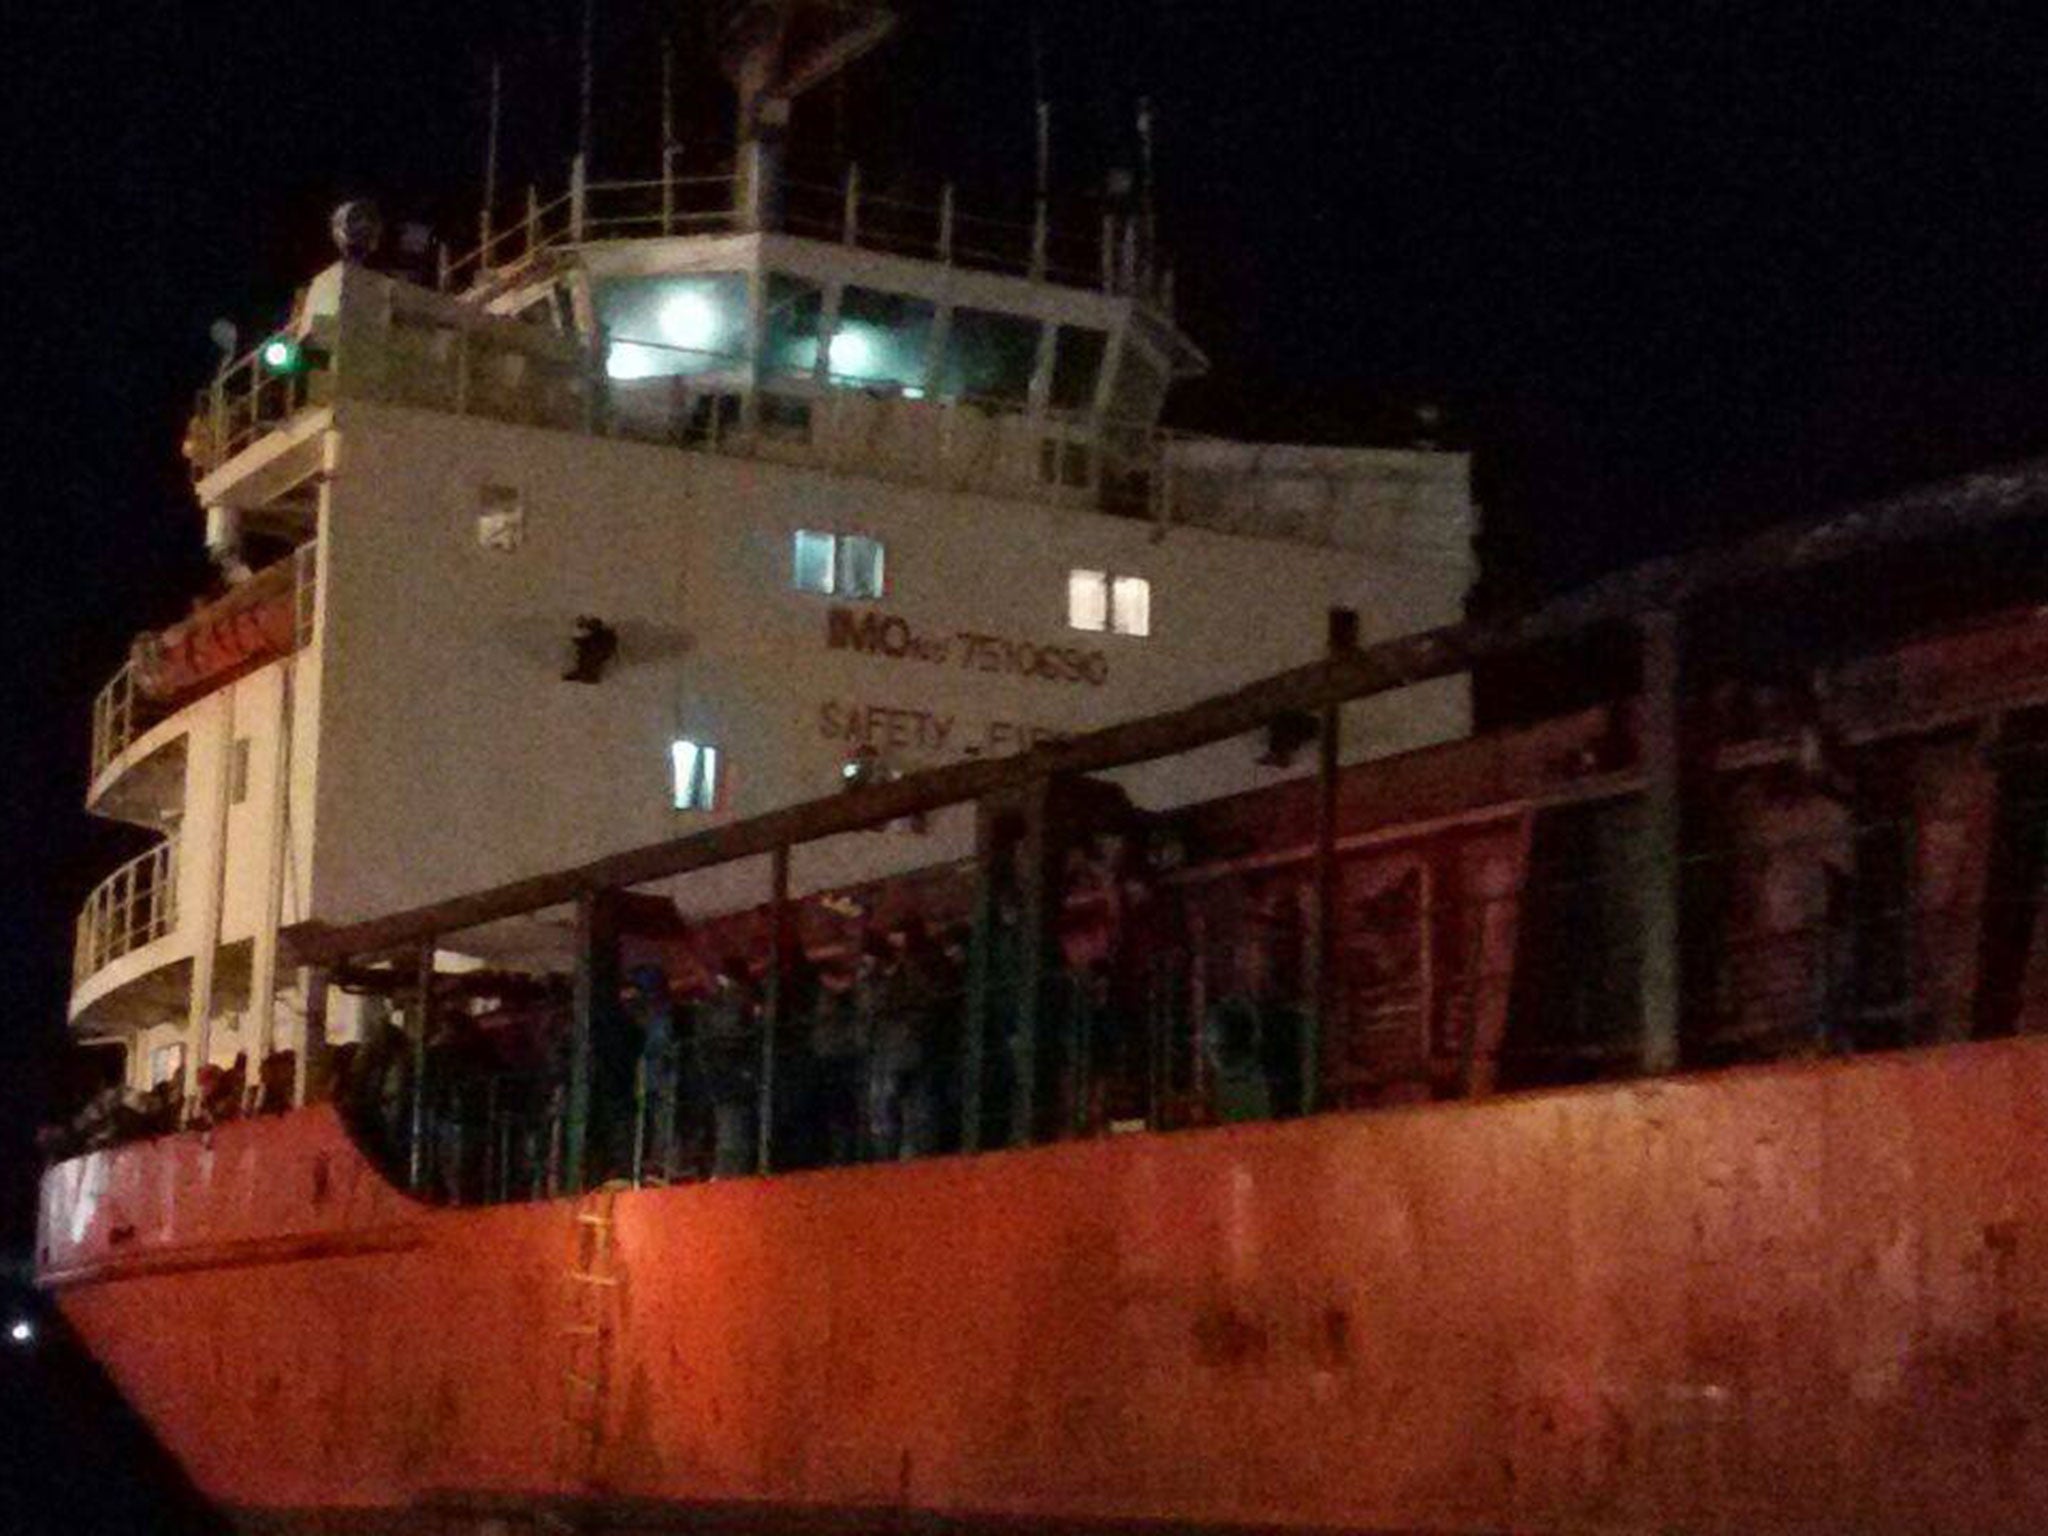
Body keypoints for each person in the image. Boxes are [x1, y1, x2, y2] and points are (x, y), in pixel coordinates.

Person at [694, 956, 760, 1177]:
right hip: (727, 1072)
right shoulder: (733, 1000)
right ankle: (727, 1169)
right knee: (728, 1123)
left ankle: (730, 1172)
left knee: (733, 1125)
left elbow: (729, 1027)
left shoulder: (737, 999)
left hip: (733, 1072)